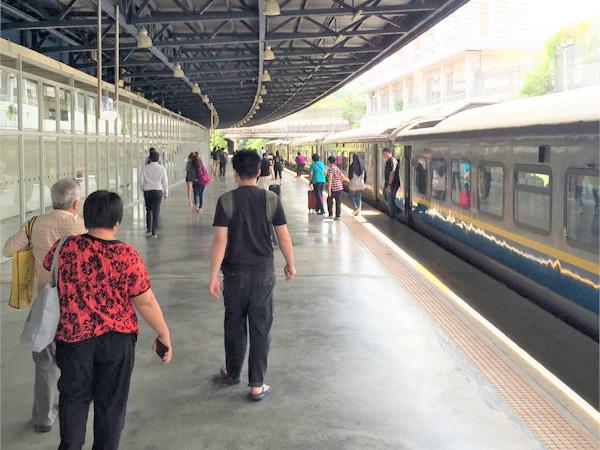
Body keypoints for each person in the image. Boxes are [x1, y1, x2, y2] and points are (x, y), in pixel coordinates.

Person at [43, 190, 172, 450]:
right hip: (116, 342)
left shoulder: (64, 247)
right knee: (111, 405)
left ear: (84, 217)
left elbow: (49, 270)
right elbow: (145, 300)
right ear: (117, 223)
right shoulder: (127, 255)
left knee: (73, 400)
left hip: (73, 340)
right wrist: (163, 334)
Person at [209, 150, 296, 401]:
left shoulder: (226, 201)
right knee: (261, 327)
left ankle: (233, 372)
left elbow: (219, 242)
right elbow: (283, 236)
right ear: (259, 172)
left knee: (234, 324)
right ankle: (257, 384)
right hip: (263, 274)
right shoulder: (271, 199)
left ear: (234, 173)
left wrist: (213, 275)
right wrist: (290, 263)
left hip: (235, 274)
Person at [2, 178, 86, 434]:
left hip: (44, 301)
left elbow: (7, 249)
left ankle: (43, 417)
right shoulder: (80, 226)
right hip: (74, 304)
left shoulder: (34, 224)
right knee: (75, 358)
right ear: (75, 203)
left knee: (45, 359)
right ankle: (70, 407)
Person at [139, 150, 168, 238]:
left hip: (147, 190)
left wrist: (143, 188)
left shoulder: (145, 167)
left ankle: (149, 229)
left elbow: (141, 180)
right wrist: (166, 192)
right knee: (156, 211)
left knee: (148, 210)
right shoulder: (162, 168)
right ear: (158, 158)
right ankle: (154, 233)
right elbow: (165, 182)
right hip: (158, 190)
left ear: (150, 158)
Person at [382, 148, 400, 219]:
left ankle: (393, 215)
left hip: (392, 184)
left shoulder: (392, 160)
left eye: (384, 153)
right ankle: (397, 211)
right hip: (388, 183)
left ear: (388, 153)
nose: (383, 155)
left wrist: (389, 185)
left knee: (390, 199)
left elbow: (392, 172)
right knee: (387, 197)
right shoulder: (389, 161)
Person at [326, 156, 344, 220]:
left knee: (329, 201)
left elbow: (330, 180)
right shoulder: (337, 168)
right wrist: (339, 181)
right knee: (338, 202)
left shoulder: (330, 169)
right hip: (339, 187)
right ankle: (338, 216)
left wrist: (329, 191)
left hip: (333, 188)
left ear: (329, 162)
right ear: (335, 161)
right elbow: (343, 177)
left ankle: (330, 214)